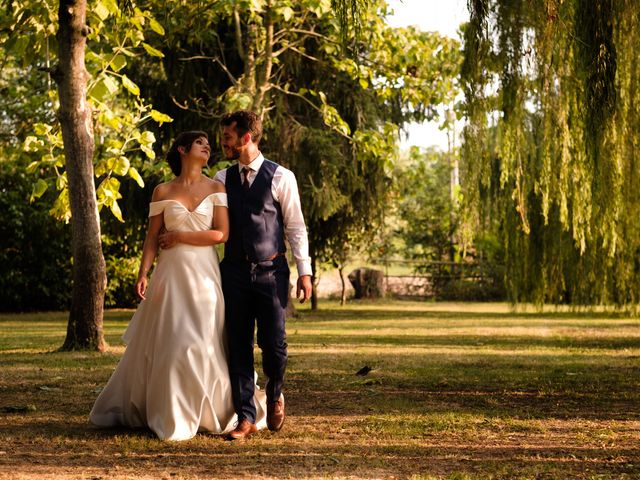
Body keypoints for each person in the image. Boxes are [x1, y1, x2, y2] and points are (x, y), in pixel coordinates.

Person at [89, 131, 267, 441]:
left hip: (204, 275)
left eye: (208, 144)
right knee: (174, 340)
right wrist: (143, 273)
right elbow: (151, 238)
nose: (208, 146)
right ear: (183, 149)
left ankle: (212, 408)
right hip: (170, 276)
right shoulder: (162, 191)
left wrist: (180, 236)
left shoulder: (216, 187)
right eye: (201, 142)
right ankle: (170, 410)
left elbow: (220, 235)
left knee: (203, 338)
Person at [215, 110, 313, 440]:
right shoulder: (220, 178)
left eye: (227, 136)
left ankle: (275, 392)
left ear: (246, 138)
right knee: (238, 343)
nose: (222, 142)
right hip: (233, 273)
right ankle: (245, 416)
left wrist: (305, 271)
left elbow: (296, 227)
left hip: (272, 272)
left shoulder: (281, 177)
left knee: (274, 345)